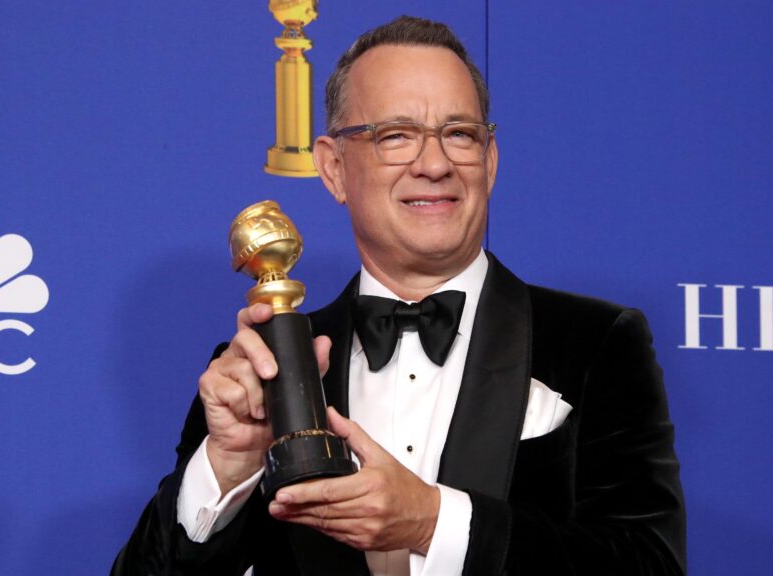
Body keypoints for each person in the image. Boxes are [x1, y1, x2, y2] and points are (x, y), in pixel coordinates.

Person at [113, 15, 685, 576]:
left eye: (459, 134)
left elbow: (650, 564)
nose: (434, 164)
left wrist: (433, 523)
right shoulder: (259, 371)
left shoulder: (595, 343)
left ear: (489, 161)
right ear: (333, 168)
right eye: (396, 136)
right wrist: (227, 466)